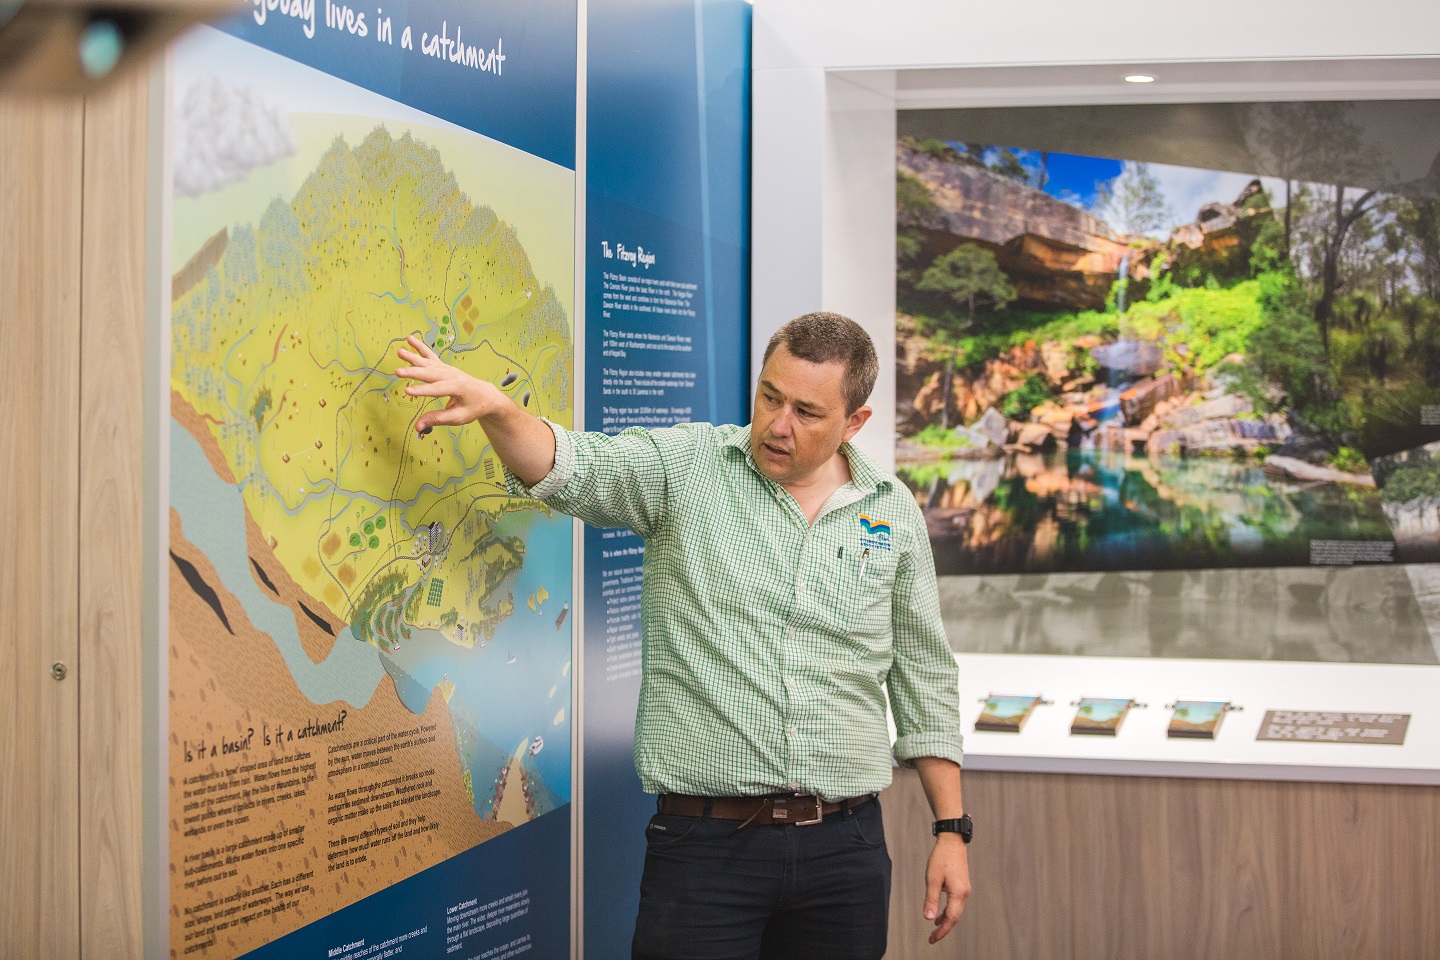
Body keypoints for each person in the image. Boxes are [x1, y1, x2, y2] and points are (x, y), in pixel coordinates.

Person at [395, 311, 970, 959]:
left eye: (807, 412)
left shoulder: (890, 510)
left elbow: (924, 675)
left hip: (846, 848)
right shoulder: (689, 467)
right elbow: (576, 468)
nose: (778, 424)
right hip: (706, 850)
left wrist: (950, 829)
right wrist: (499, 411)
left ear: (854, 422)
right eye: (769, 396)